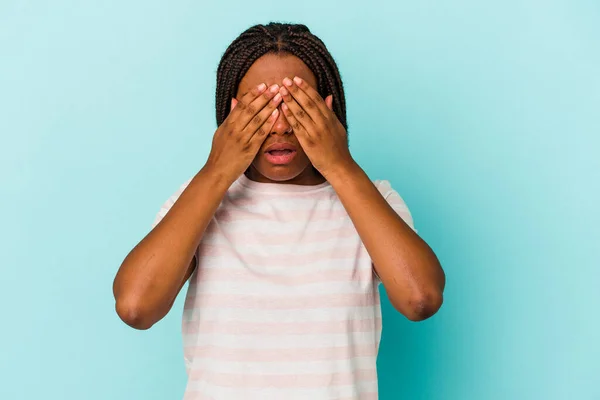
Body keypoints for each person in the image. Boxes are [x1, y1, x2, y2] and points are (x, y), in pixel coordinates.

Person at [113, 22, 445, 400]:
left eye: (297, 105)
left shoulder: (372, 201)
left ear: (327, 109)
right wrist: (218, 170)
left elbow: (420, 298)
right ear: (231, 112)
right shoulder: (198, 203)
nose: (282, 125)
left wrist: (340, 166)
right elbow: (136, 306)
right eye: (262, 107)